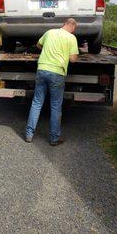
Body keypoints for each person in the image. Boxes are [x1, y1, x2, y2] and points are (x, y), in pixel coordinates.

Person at [25, 18, 79, 146]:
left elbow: (38, 45)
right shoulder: (71, 38)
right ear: (73, 27)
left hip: (42, 69)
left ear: (63, 24)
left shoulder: (50, 32)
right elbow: (73, 60)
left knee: (37, 103)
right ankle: (54, 138)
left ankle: (29, 134)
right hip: (57, 73)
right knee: (55, 106)